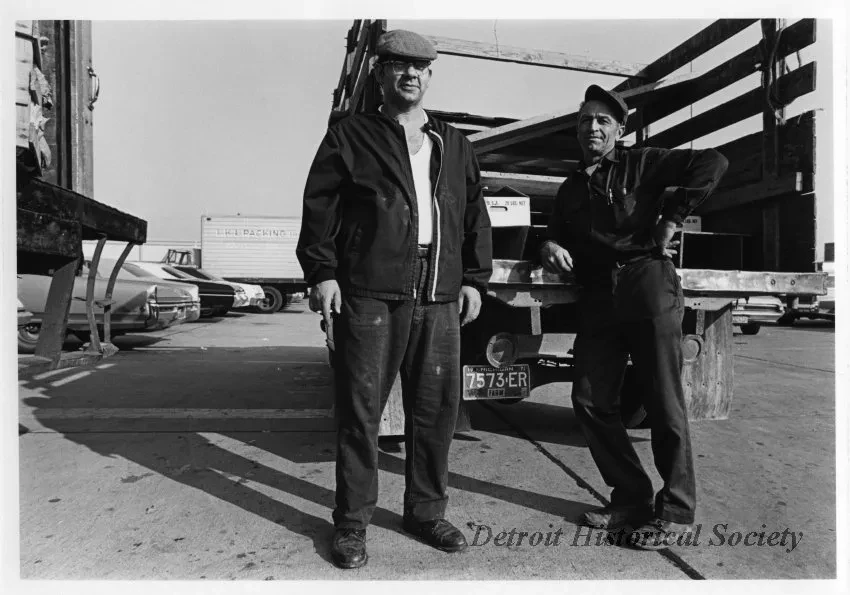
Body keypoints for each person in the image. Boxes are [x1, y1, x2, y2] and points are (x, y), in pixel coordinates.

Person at [297, 29, 492, 569]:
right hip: (369, 290)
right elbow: (320, 206)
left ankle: (425, 512)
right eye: (398, 65)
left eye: (420, 67)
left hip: (438, 292)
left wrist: (474, 279)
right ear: (381, 74)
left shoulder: (454, 144)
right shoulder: (350, 135)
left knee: (436, 411)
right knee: (361, 413)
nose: (410, 74)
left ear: (430, 76)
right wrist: (323, 273)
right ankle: (353, 523)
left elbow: (474, 215)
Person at [540, 85, 728, 549]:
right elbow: (553, 234)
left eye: (604, 121)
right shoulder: (569, 188)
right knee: (588, 398)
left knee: (663, 400)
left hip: (647, 282)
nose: (593, 128)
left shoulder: (642, 162)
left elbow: (714, 161)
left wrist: (674, 213)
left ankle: (677, 511)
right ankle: (630, 498)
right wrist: (548, 246)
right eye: (586, 120)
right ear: (577, 130)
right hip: (600, 294)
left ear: (619, 130)